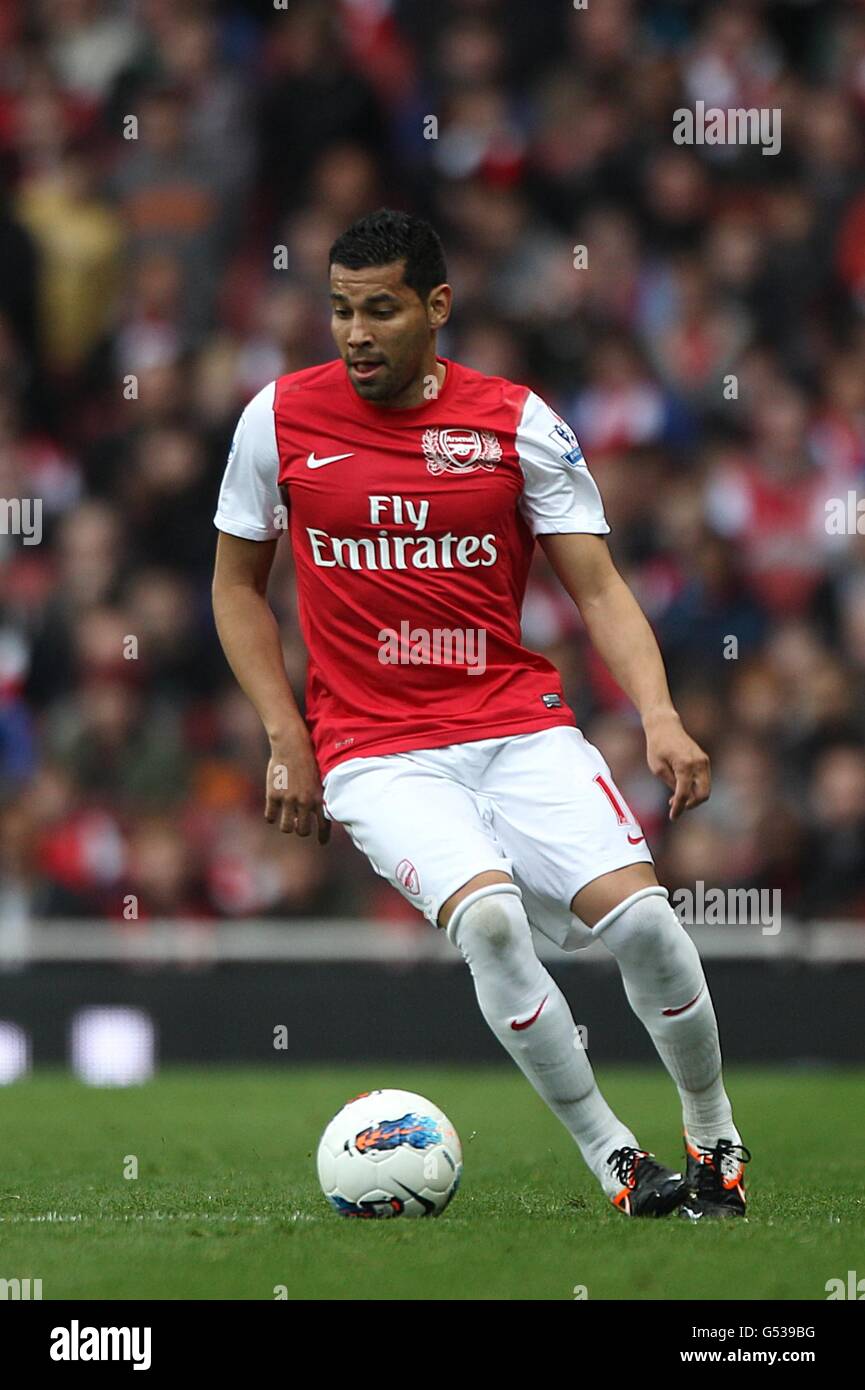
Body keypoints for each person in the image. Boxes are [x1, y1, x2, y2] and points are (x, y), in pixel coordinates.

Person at [211, 208, 750, 1219]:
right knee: (492, 922)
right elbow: (236, 586)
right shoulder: (276, 420)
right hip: (375, 749)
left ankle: (713, 1135)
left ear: (437, 306)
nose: (355, 334)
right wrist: (286, 735)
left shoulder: (516, 421)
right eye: (339, 311)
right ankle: (616, 1159)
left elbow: (598, 587)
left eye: (380, 310)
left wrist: (660, 714)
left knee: (647, 927)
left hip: (518, 726)